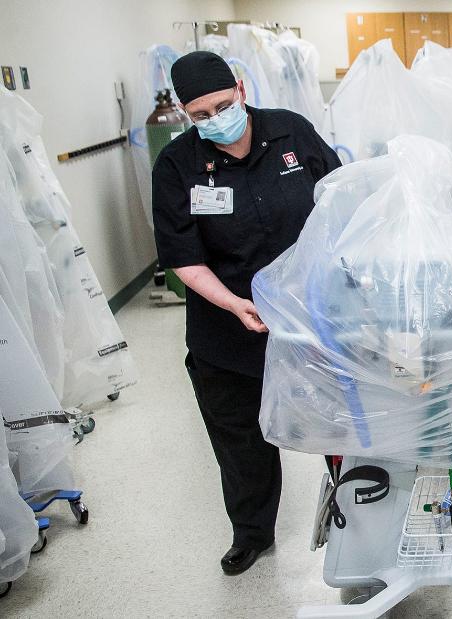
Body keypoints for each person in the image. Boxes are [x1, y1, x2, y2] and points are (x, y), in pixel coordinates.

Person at [151, 51, 341, 575]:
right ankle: (252, 533)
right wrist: (234, 304)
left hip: (310, 322)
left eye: (222, 104)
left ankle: (359, 512)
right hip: (227, 329)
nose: (215, 119)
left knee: (340, 426)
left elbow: (340, 202)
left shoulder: (292, 134)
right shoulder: (177, 165)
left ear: (240, 87)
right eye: (200, 115)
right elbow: (183, 258)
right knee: (241, 443)